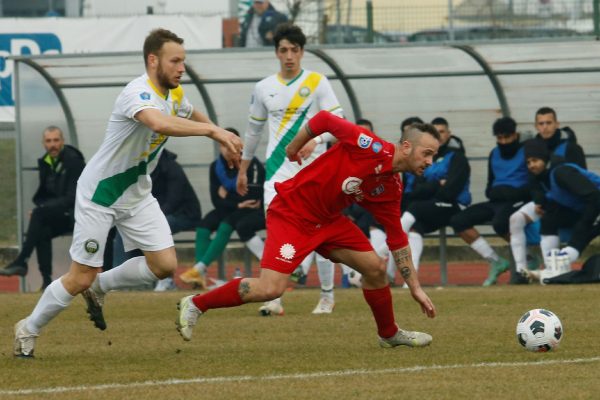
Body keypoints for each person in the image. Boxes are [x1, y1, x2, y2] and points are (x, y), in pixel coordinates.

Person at [12, 28, 243, 358]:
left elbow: (188, 112)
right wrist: (214, 131)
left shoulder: (175, 93)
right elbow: (158, 123)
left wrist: (220, 136)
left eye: (183, 61)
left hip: (136, 193)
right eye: (175, 61)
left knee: (164, 264)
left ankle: (101, 285)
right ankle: (28, 329)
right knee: (79, 276)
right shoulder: (137, 93)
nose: (182, 68)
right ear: (153, 60)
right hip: (101, 194)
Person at [176, 110, 438, 348]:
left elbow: (397, 238)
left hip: (328, 221)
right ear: (406, 146)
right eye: (426, 153)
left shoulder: (391, 187)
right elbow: (324, 119)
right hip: (292, 213)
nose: (430, 161)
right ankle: (196, 304)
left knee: (376, 269)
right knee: (270, 289)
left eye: (433, 155)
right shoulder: (369, 145)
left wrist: (415, 287)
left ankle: (389, 333)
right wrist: (293, 147)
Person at [236, 23, 344, 316]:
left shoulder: (318, 82)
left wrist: (316, 138)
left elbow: (339, 122)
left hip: (315, 172)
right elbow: (253, 132)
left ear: (302, 52)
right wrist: (243, 169)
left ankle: (326, 296)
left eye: (294, 50)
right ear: (276, 53)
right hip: (277, 173)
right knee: (276, 234)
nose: (289, 56)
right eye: (283, 50)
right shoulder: (263, 88)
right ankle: (274, 297)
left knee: (321, 234)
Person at [449, 116, 531, 286]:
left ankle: (528, 258)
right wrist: (496, 192)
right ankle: (495, 260)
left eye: (507, 137)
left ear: (515, 135)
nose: (503, 141)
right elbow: (489, 186)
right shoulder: (494, 153)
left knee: (500, 222)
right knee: (458, 220)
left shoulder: (526, 151)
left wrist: (513, 193)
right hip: (497, 201)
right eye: (499, 138)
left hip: (518, 200)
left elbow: (532, 184)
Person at [0, 126, 85, 290]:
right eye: (48, 141)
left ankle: (22, 261)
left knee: (39, 215)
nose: (52, 144)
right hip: (59, 214)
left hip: (75, 215)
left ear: (62, 141)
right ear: (43, 143)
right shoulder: (46, 162)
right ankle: (46, 281)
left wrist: (43, 209)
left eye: (56, 140)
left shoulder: (74, 161)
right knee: (41, 230)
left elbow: (72, 198)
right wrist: (44, 208)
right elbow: (45, 195)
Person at [180, 128, 265, 288]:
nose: (227, 149)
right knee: (204, 225)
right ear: (220, 146)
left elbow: (252, 196)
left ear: (238, 145)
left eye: (230, 144)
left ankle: (199, 268)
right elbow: (215, 200)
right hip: (231, 208)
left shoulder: (251, 164)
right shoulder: (216, 167)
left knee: (228, 222)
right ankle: (199, 276)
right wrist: (237, 202)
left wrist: (228, 196)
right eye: (223, 145)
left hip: (249, 210)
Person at [508, 107, 586, 280]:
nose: (545, 127)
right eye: (541, 123)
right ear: (536, 126)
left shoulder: (571, 148)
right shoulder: (532, 146)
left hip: (567, 203)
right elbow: (532, 179)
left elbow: (580, 180)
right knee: (515, 219)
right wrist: (538, 200)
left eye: (548, 123)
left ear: (557, 124)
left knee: (550, 220)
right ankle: (522, 272)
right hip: (544, 200)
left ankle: (553, 271)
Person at [111, 148, 203, 291]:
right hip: (161, 214)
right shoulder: (140, 170)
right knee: (124, 232)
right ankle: (118, 280)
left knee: (149, 232)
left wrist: (146, 221)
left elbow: (174, 201)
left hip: (184, 215)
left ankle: (166, 281)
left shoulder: (172, 167)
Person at [521, 139, 600, 283]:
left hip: (595, 203)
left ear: (545, 159)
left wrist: (585, 223)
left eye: (535, 160)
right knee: (549, 220)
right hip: (590, 206)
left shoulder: (561, 172)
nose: (531, 165)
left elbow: (594, 196)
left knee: (581, 231)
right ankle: (552, 269)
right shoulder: (545, 179)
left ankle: (555, 271)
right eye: (528, 162)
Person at [400, 117, 471, 277]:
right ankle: (410, 279)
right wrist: (438, 184)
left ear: (449, 133)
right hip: (433, 206)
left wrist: (432, 188)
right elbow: (418, 189)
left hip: (455, 206)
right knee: (415, 230)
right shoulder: (427, 158)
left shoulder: (457, 157)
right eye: (435, 132)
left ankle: (383, 250)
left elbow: (450, 192)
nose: (439, 136)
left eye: (442, 132)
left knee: (415, 208)